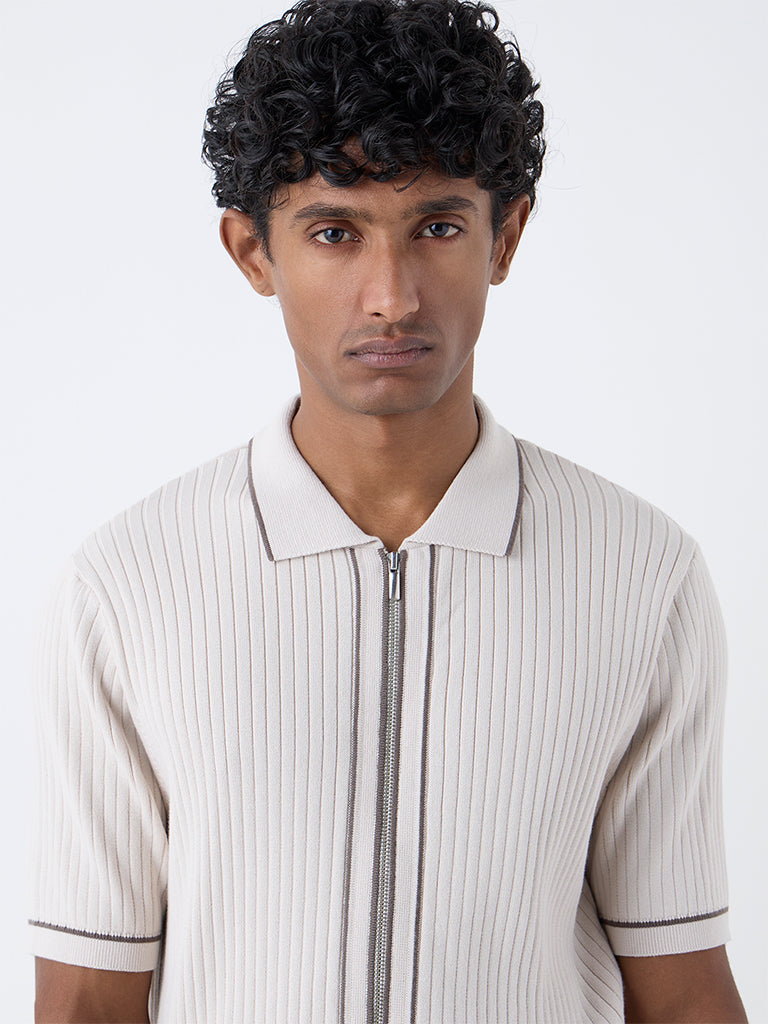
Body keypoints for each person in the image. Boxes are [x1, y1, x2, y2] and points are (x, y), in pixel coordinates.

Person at [29, 1, 748, 1021]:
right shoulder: (126, 588)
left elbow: (682, 997)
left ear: (505, 236)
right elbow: (85, 1005)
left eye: (438, 227)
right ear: (252, 252)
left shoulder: (641, 575)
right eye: (335, 232)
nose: (392, 296)